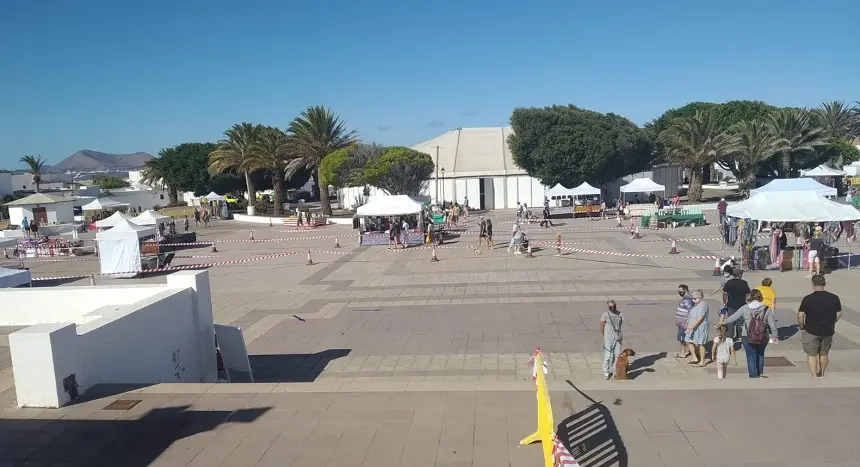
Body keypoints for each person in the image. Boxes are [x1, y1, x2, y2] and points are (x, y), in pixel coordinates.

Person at [722, 289, 778, 378]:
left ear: (750, 297)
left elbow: (734, 317)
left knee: (751, 355)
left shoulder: (745, 308)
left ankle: (752, 375)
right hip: (763, 335)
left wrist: (723, 322)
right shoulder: (767, 308)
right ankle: (760, 373)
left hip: (747, 335)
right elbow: (772, 324)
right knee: (760, 354)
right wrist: (775, 335)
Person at [797, 275, 842, 377]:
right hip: (828, 330)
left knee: (812, 354)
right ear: (824, 284)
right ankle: (821, 373)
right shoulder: (834, 298)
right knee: (824, 353)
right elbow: (839, 313)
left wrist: (802, 326)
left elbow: (800, 315)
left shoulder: (808, 299)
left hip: (811, 330)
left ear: (813, 284)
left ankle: (814, 375)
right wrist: (832, 322)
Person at [722, 268, 750, 342]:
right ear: (740, 275)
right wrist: (747, 302)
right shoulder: (744, 283)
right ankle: (739, 335)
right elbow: (747, 294)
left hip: (731, 304)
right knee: (740, 321)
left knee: (730, 320)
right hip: (741, 304)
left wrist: (724, 302)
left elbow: (725, 293)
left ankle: (729, 336)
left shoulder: (729, 282)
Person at [685, 289, 710, 367]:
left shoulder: (703, 306)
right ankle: (694, 357)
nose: (693, 300)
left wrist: (690, 328)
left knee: (701, 344)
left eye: (695, 298)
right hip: (693, 327)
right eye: (693, 298)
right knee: (688, 340)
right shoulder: (697, 305)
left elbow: (699, 319)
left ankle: (702, 361)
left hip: (700, 328)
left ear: (700, 297)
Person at [600, 300, 624, 380]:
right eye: (611, 307)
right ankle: (606, 373)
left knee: (616, 356)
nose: (613, 308)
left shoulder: (620, 314)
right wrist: (605, 335)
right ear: (608, 307)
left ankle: (615, 372)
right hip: (608, 339)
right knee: (607, 356)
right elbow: (601, 326)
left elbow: (620, 325)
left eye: (614, 306)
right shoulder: (605, 315)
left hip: (617, 338)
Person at [675, 284, 694, 358]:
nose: (679, 292)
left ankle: (683, 353)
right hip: (681, 321)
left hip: (684, 322)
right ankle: (684, 352)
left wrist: (687, 322)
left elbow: (690, 311)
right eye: (678, 291)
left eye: (680, 291)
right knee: (682, 337)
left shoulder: (687, 299)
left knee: (683, 338)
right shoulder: (686, 298)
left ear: (685, 290)